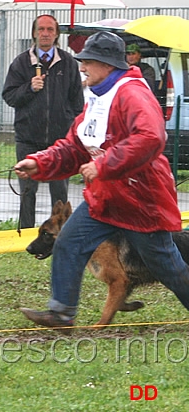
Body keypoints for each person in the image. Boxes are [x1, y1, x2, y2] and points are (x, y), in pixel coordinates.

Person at [15, 31, 189, 330]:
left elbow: (151, 138)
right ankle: (61, 314)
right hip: (105, 199)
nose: (82, 68)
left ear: (108, 65)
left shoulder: (132, 93)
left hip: (142, 201)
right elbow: (75, 146)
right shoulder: (96, 96)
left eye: (89, 62)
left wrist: (105, 164)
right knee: (68, 242)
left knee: (168, 267)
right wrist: (38, 162)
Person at [2, 14, 84, 229]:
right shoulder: (21, 63)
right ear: (34, 33)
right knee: (27, 192)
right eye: (41, 29)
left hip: (59, 142)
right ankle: (27, 234)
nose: (45, 33)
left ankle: (60, 234)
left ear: (56, 34)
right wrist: (29, 88)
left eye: (49, 29)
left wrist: (69, 126)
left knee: (59, 193)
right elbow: (9, 96)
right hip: (29, 139)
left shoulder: (68, 63)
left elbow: (77, 102)